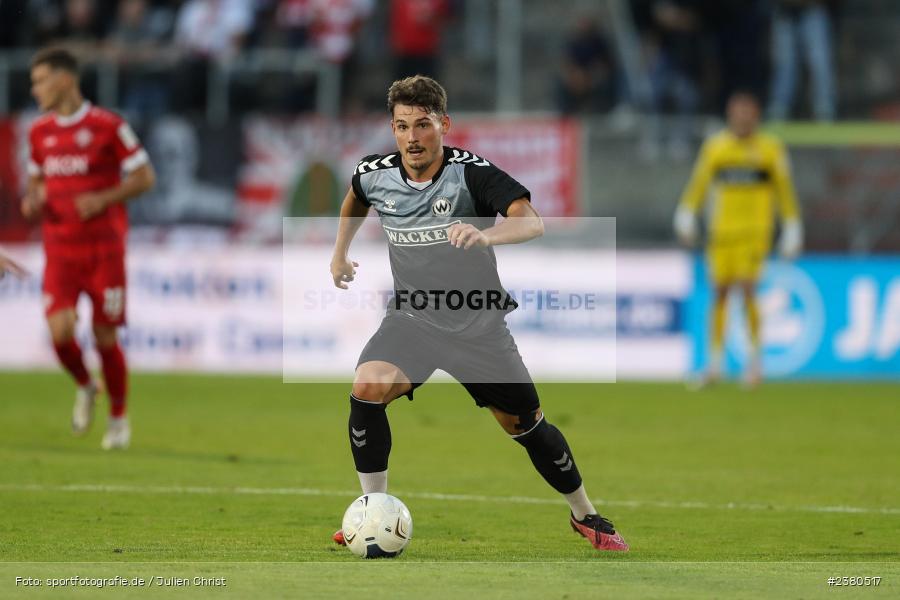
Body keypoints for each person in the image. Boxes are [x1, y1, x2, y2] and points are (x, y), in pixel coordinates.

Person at [327, 75, 628, 552]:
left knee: (526, 426)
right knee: (366, 388)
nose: (412, 137)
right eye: (402, 126)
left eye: (422, 125)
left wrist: (487, 235)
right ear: (392, 129)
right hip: (413, 319)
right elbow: (355, 199)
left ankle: (585, 514)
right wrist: (340, 254)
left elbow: (531, 221)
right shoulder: (374, 172)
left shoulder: (472, 174)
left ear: (443, 125)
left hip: (477, 325)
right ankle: (371, 512)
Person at [22, 48, 155, 449]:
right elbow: (34, 183)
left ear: (64, 79)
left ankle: (117, 417)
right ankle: (85, 384)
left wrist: (103, 199)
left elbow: (145, 177)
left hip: (104, 252)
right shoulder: (38, 132)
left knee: (104, 338)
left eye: (40, 81)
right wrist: (33, 200)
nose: (35, 90)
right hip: (60, 250)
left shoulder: (108, 126)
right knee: (60, 333)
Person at [674, 91, 802, 387]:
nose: (742, 117)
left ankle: (754, 363)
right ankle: (714, 365)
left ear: (756, 115)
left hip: (754, 233)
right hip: (722, 233)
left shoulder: (770, 149)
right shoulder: (717, 148)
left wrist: (792, 225)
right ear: (730, 115)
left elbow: (785, 190)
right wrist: (687, 211)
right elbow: (699, 183)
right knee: (719, 292)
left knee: (747, 289)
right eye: (737, 112)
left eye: (747, 112)